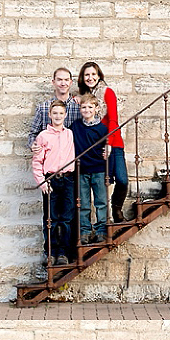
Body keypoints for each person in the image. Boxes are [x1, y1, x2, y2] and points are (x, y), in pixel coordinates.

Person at [75, 61, 129, 223]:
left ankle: (117, 207)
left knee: (122, 179)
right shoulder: (84, 98)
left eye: (93, 74)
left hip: (113, 142)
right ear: (82, 78)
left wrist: (109, 143)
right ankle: (101, 221)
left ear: (99, 76)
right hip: (95, 146)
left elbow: (113, 120)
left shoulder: (107, 92)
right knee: (103, 181)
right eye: (87, 75)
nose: (90, 78)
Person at [31, 100, 76, 266]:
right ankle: (50, 251)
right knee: (50, 218)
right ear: (50, 115)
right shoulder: (43, 136)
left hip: (68, 179)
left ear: (65, 115)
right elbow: (37, 162)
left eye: (61, 113)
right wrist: (42, 182)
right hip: (50, 180)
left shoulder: (69, 134)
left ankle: (63, 251)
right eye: (54, 113)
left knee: (66, 218)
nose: (58, 116)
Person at [68, 94, 109, 245]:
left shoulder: (102, 129)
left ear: (96, 109)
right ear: (80, 109)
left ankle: (101, 230)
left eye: (90, 107)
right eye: (83, 107)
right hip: (81, 170)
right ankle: (85, 230)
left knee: (101, 202)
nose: (86, 110)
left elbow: (107, 148)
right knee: (83, 203)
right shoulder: (76, 126)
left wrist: (108, 171)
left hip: (99, 170)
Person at [28, 67, 80, 150]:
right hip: (50, 156)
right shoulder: (43, 108)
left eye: (66, 80)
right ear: (53, 82)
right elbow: (33, 134)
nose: (63, 83)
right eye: (59, 80)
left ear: (70, 82)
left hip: (72, 157)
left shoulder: (79, 107)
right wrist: (33, 145)